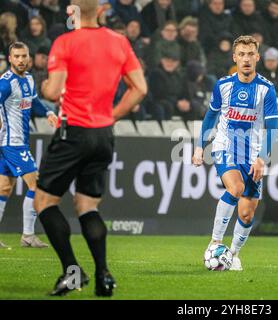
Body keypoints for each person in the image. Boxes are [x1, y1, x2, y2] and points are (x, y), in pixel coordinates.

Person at [35, 0, 147, 297]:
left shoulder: (65, 43)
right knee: (87, 207)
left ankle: (72, 272)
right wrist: (112, 115)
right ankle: (104, 275)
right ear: (101, 11)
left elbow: (52, 89)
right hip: (103, 134)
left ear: (72, 12)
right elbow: (140, 89)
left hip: (74, 132)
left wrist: (46, 86)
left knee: (44, 202)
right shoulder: (119, 42)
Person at [192, 35, 278, 271]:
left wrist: (262, 157)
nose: (246, 59)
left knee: (248, 214)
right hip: (225, 146)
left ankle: (232, 254)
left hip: (253, 153)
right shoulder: (223, 85)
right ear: (234, 58)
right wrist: (200, 146)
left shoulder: (267, 90)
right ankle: (215, 242)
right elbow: (211, 116)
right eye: (241, 54)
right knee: (235, 188)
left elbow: (272, 129)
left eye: (251, 54)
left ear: (258, 57)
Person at [0, 42, 57, 250]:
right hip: (12, 143)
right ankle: (28, 235)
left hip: (16, 142)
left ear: (29, 58)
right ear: (10, 59)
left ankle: (27, 235)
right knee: (37, 185)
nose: (21, 60)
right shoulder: (6, 83)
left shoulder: (30, 79)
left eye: (24, 56)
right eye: (17, 56)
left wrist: (49, 112)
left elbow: (35, 102)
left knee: (4, 188)